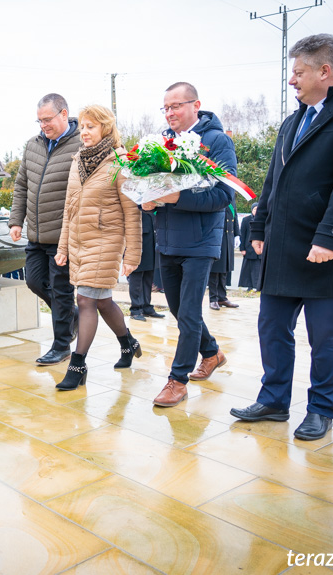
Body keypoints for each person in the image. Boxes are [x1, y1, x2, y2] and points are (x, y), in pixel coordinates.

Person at [230, 34, 333, 441]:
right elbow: (274, 182)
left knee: (325, 337)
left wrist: (330, 238)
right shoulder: (293, 119)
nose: (292, 81)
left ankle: (320, 409)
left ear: (325, 71)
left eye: (298, 72)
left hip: (324, 252)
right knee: (272, 327)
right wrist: (259, 228)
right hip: (282, 250)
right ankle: (274, 400)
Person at [142, 82, 236, 408]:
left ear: (196, 105)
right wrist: (148, 199)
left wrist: (176, 197)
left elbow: (224, 194)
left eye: (176, 106)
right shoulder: (161, 143)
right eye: (165, 108)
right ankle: (212, 353)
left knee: (190, 313)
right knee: (181, 311)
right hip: (167, 239)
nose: (170, 113)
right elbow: (153, 184)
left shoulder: (216, 141)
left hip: (200, 242)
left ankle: (176, 381)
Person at [53, 105, 142, 390]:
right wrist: (63, 246)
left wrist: (133, 253)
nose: (84, 132)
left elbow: (132, 212)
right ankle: (127, 343)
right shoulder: (77, 160)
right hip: (80, 242)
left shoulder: (120, 162)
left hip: (107, 241)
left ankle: (77, 365)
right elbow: (70, 208)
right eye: (82, 127)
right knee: (101, 300)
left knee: (86, 300)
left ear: (105, 127)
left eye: (90, 126)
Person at [8, 93, 81, 366]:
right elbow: (21, 186)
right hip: (36, 233)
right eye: (39, 121)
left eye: (48, 119)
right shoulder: (32, 145)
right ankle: (72, 315)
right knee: (34, 281)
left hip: (63, 235)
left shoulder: (80, 144)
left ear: (64, 114)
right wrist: (16, 220)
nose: (43, 126)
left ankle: (62, 345)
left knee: (61, 290)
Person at [127, 207, 164, 321]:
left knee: (148, 276)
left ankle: (146, 307)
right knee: (136, 277)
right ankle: (135, 309)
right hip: (137, 242)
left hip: (150, 240)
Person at [207, 204, 240, 309]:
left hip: (228, 238)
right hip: (216, 237)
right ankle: (213, 298)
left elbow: (235, 217)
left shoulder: (231, 200)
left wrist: (237, 234)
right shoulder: (217, 196)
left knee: (224, 269)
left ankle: (222, 297)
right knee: (215, 270)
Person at [238, 203, 261, 291]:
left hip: (259, 249)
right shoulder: (246, 220)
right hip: (249, 248)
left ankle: (258, 286)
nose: (256, 211)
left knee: (259, 268)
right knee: (249, 268)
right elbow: (242, 235)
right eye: (255, 209)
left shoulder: (263, 220)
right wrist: (242, 248)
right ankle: (249, 285)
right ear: (252, 210)